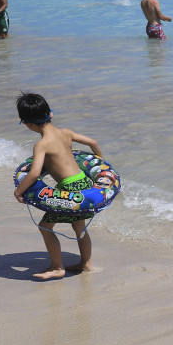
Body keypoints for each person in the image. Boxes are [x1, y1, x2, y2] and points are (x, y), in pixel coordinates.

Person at [12, 92, 104, 280]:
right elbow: (94, 143)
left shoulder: (42, 145)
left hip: (70, 191)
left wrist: (18, 191)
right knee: (79, 226)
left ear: (27, 124)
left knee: (45, 227)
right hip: (85, 183)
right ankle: (86, 265)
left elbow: (35, 173)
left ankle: (57, 267)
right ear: (51, 114)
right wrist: (101, 164)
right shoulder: (66, 133)